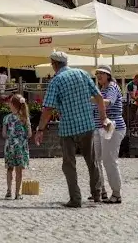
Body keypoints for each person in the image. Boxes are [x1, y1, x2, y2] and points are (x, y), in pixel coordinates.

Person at [34, 51, 108, 208]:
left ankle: (75, 199)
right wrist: (103, 118)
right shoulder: (82, 73)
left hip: (68, 128)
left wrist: (40, 129)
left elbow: (48, 108)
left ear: (54, 64)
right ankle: (97, 194)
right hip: (87, 125)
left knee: (69, 164)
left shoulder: (57, 81)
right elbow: (99, 97)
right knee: (92, 161)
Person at [92, 65, 126, 204]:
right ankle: (101, 190)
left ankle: (116, 193)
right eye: (97, 73)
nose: (99, 76)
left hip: (112, 127)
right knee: (96, 159)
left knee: (109, 160)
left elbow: (106, 103)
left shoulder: (112, 87)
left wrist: (90, 99)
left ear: (108, 75)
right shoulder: (102, 89)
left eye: (102, 73)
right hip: (99, 127)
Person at [2, 94, 31, 199]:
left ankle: (8, 191)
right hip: (21, 147)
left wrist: (11, 137)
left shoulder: (6, 118)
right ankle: (17, 194)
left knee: (9, 169)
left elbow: (4, 135)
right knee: (19, 171)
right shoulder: (24, 117)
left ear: (13, 104)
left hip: (10, 147)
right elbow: (29, 134)